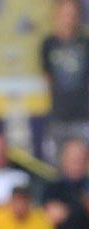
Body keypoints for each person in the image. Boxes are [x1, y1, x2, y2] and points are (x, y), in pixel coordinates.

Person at [40, 0, 89, 162]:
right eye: (65, 14)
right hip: (59, 115)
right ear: (57, 15)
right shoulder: (48, 44)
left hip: (84, 115)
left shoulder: (85, 43)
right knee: (56, 163)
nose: (69, 19)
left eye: (73, 14)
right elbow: (48, 79)